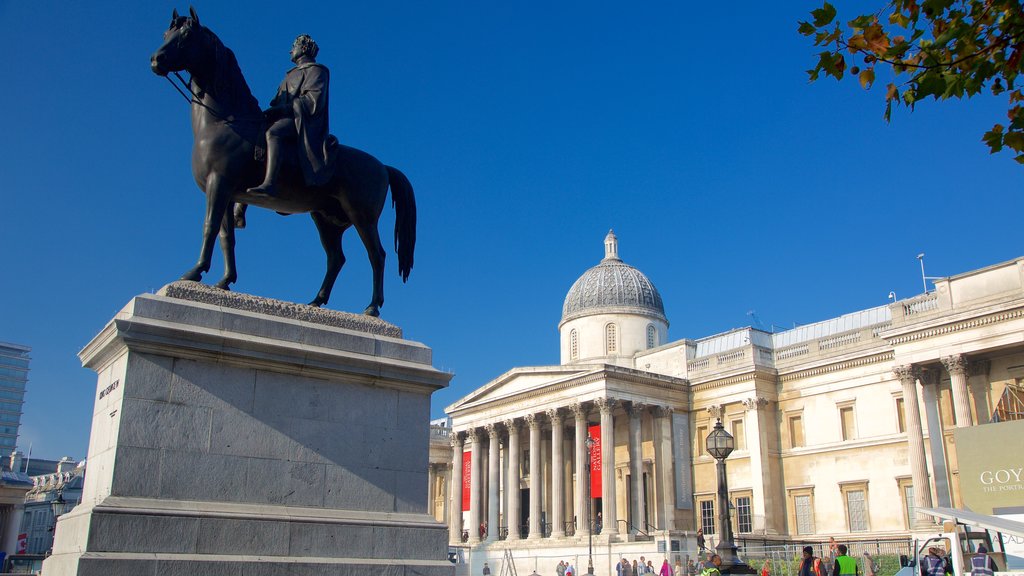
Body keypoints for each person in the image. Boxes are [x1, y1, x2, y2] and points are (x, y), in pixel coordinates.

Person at [249, 34, 334, 198]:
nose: (290, 51)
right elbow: (277, 102)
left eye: (293, 47)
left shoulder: (316, 71)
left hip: (303, 122)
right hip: (286, 117)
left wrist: (282, 110)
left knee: (273, 133)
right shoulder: (289, 75)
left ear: (303, 48)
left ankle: (270, 184)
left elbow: (312, 102)